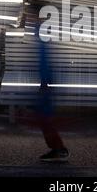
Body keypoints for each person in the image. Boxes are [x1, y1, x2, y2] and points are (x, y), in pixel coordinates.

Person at [35, 25, 70, 162]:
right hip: (46, 82)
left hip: (47, 83)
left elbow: (45, 60)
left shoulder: (42, 32)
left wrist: (45, 83)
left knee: (45, 119)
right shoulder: (40, 32)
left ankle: (59, 150)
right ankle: (57, 149)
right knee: (44, 118)